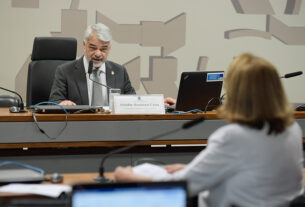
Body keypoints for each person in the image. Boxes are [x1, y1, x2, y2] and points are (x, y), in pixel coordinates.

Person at [114, 53, 304, 207]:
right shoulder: (292, 128)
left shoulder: (234, 136)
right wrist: (192, 169)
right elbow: (252, 172)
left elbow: (182, 187)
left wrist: (131, 178)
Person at [49, 23, 135, 106]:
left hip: (111, 121)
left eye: (103, 49)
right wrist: (62, 104)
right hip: (80, 120)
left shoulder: (120, 71)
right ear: (84, 45)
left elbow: (133, 101)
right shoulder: (65, 71)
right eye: (93, 48)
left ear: (109, 48)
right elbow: (55, 101)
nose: (98, 54)